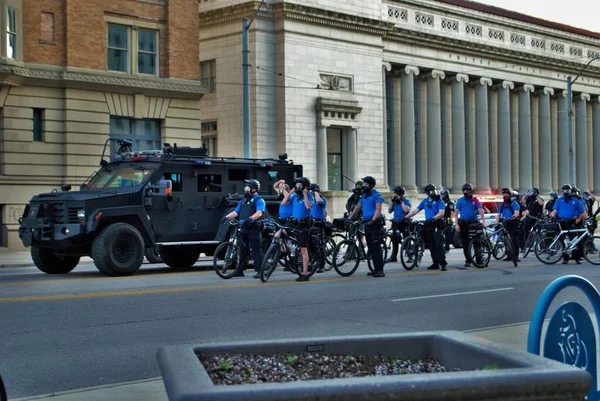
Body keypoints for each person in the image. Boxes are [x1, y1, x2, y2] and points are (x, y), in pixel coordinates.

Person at [223, 179, 266, 278]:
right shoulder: (243, 201)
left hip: (253, 228)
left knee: (256, 250)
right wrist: (226, 218)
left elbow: (259, 213)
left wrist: (250, 219)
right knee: (242, 250)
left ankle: (260, 271)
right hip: (244, 228)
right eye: (246, 187)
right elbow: (235, 212)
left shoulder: (259, 200)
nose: (246, 189)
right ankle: (240, 270)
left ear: (254, 189)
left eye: (248, 187)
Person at [348, 176, 385, 277]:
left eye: (366, 184)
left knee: (376, 247)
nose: (364, 186)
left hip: (375, 222)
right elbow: (357, 208)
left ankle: (380, 270)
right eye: (364, 184)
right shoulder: (364, 196)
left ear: (372, 185)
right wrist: (349, 218)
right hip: (367, 222)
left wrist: (373, 220)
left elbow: (378, 209)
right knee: (371, 247)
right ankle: (375, 269)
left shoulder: (377, 195)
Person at [405, 183, 448, 271]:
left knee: (438, 245)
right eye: (431, 191)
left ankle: (443, 263)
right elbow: (416, 210)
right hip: (428, 225)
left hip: (437, 224)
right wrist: (405, 217)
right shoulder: (425, 201)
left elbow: (441, 213)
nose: (433, 192)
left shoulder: (440, 200)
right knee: (431, 245)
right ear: (427, 192)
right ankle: (435, 263)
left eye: (434, 190)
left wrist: (433, 218)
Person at [282, 177, 314, 282]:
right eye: (297, 185)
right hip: (294, 223)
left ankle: (305, 273)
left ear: (305, 187)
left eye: (300, 185)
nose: (298, 187)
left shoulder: (309, 196)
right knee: (280, 233)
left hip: (303, 225)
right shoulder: (295, 196)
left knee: (303, 249)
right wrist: (290, 192)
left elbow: (308, 206)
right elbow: (284, 203)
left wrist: (305, 194)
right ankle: (287, 251)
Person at [453, 183, 486, 267]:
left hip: (474, 222)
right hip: (463, 223)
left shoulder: (475, 200)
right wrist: (456, 224)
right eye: (464, 190)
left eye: (467, 190)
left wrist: (483, 221)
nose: (466, 192)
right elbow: (456, 213)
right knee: (465, 243)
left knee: (477, 242)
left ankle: (479, 260)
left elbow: (480, 210)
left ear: (471, 191)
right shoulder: (460, 201)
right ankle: (468, 260)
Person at [551, 184, 585, 264]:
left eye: (567, 190)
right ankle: (565, 258)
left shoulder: (575, 200)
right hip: (561, 222)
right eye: (564, 190)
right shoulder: (559, 200)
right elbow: (555, 210)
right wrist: (552, 215)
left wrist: (578, 220)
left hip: (571, 222)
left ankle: (576, 258)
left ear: (570, 191)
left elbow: (582, 212)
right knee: (562, 241)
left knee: (574, 241)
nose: (566, 192)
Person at [387, 185, 411, 262]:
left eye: (397, 194)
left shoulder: (406, 201)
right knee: (394, 240)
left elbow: (406, 210)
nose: (396, 195)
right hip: (396, 222)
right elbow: (389, 211)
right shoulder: (395, 202)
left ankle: (410, 256)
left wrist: (401, 202)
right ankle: (394, 257)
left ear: (401, 194)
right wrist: (392, 202)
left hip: (404, 222)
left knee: (406, 238)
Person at [496, 188, 520, 262]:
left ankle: (515, 256)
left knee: (513, 239)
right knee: (505, 240)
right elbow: (498, 215)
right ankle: (508, 255)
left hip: (512, 223)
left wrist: (509, 219)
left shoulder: (514, 203)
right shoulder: (502, 205)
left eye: (506, 194)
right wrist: (497, 224)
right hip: (504, 224)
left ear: (510, 195)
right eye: (503, 194)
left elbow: (516, 214)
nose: (504, 195)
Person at [309, 183, 327, 273]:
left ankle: (322, 265)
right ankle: (312, 262)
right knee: (310, 244)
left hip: (319, 223)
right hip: (311, 223)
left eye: (312, 191)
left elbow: (319, 202)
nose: (311, 193)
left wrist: (316, 192)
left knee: (320, 245)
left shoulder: (322, 199)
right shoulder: (311, 200)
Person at [522, 187, 544, 253]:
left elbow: (541, 203)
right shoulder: (529, 199)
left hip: (537, 218)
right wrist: (527, 194)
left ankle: (542, 246)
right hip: (529, 217)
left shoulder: (539, 199)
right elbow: (523, 200)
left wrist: (536, 195)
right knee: (527, 232)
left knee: (539, 232)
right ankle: (528, 246)